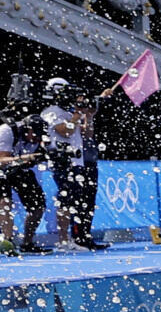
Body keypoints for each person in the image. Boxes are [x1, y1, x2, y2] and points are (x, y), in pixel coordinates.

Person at [40, 79, 107, 250]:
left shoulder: (69, 112)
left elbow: (87, 134)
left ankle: (82, 236)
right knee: (67, 198)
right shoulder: (50, 112)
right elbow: (65, 131)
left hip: (78, 160)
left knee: (84, 199)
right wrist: (78, 113)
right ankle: (64, 239)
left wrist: (88, 117)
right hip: (62, 160)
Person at [0, 105, 49, 253]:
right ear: (27, 129)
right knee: (4, 202)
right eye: (35, 135)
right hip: (2, 168)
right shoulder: (7, 131)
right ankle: (7, 242)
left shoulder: (36, 138)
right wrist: (23, 158)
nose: (36, 139)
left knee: (38, 205)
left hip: (17, 168)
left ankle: (27, 243)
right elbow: (1, 160)